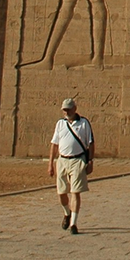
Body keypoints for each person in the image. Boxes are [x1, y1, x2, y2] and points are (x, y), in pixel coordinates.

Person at [50, 98, 95, 234]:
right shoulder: (60, 124)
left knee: (75, 192)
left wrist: (90, 161)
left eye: (68, 109)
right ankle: (67, 213)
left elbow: (91, 143)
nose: (66, 112)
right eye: (64, 109)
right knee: (61, 192)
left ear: (75, 109)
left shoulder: (84, 123)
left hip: (78, 160)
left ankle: (73, 224)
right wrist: (50, 163)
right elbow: (54, 144)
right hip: (62, 160)